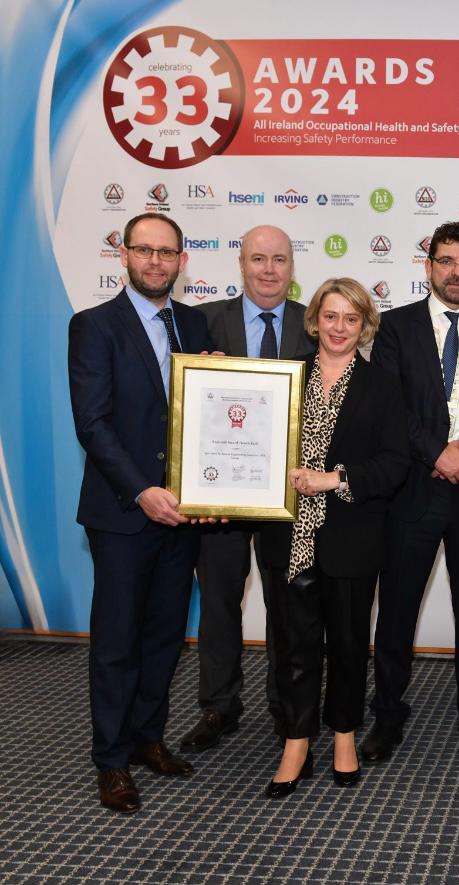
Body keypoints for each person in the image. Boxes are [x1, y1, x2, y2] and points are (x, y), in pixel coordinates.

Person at [68, 212, 212, 812]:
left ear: (182, 260)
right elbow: (93, 425)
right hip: (126, 512)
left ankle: (149, 738)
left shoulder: (195, 324)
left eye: (167, 253)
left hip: (184, 512)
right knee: (117, 640)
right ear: (123, 255)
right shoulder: (94, 326)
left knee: (163, 636)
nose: (156, 262)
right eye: (144, 251)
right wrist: (141, 491)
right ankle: (112, 760)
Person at [362, 221, 459, 762]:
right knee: (398, 609)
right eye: (447, 261)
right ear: (428, 266)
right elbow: (390, 407)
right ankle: (387, 717)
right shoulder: (394, 327)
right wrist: (437, 452)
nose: (457, 272)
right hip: (413, 491)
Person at [256, 277, 409, 797]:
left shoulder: (384, 386)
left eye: (351, 318)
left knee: (346, 646)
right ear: (314, 319)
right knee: (294, 648)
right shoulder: (283, 378)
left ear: (364, 325)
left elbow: (394, 464)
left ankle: (344, 734)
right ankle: (296, 741)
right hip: (288, 536)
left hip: (351, 537)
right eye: (330, 316)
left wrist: (334, 478)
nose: (339, 327)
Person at [179, 225, 312, 754]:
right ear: (240, 264)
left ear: (291, 266)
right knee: (218, 602)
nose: (269, 270)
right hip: (221, 495)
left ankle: (287, 705)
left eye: (279, 259)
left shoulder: (315, 321)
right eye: (258, 259)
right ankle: (218, 707)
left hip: (290, 493)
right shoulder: (204, 322)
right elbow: (179, 400)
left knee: (289, 605)